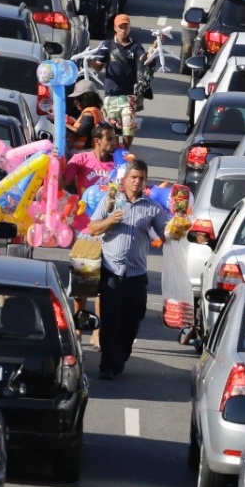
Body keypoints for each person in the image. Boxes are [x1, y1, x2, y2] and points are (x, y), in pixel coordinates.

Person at [84, 158, 171, 380]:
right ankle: (108, 365)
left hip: (136, 275)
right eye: (133, 177)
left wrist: (178, 225)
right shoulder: (111, 201)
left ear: (145, 182)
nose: (137, 182)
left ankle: (120, 357)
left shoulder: (152, 208)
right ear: (124, 180)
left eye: (141, 179)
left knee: (133, 319)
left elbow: (167, 234)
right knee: (111, 320)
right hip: (111, 271)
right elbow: (93, 229)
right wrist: (110, 221)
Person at [88, 14, 146, 146]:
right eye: (121, 27)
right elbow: (98, 67)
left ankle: (125, 150)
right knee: (112, 131)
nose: (123, 30)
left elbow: (143, 58)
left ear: (129, 28)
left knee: (128, 130)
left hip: (129, 96)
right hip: (111, 96)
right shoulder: (107, 45)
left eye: (126, 27)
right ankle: (115, 153)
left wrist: (154, 47)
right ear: (115, 27)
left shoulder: (135, 46)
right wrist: (90, 60)